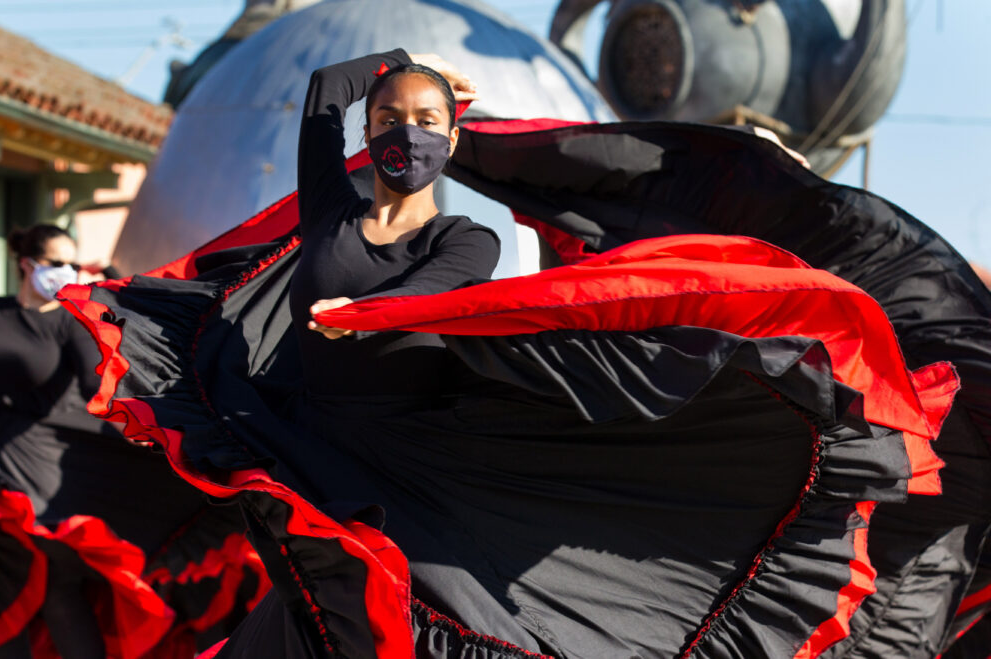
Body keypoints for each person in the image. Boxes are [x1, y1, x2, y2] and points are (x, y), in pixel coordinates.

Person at [58, 50, 955, 658]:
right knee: (306, 601)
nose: (407, 135)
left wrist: (358, 314)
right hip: (306, 431)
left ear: (448, 143)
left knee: (412, 609)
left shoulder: (465, 238)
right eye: (390, 119)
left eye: (427, 123)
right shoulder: (330, 209)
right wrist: (404, 70)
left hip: (410, 456)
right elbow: (326, 90)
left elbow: (428, 305)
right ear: (370, 133)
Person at [0, 225, 266, 657]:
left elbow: (107, 378)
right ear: (27, 264)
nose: (66, 270)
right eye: (56, 263)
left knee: (56, 577)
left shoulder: (71, 318)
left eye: (73, 263)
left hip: (57, 457)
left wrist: (147, 426)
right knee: (23, 577)